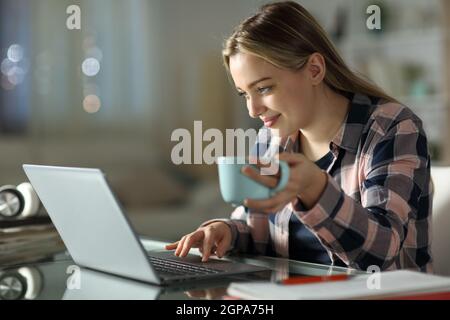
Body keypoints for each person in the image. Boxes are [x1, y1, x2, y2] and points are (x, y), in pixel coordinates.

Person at [165, 1, 432, 272]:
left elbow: (380, 252)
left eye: (264, 88)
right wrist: (226, 231)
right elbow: (257, 226)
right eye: (245, 94)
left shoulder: (392, 128)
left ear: (314, 69)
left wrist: (315, 188)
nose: (253, 109)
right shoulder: (272, 137)